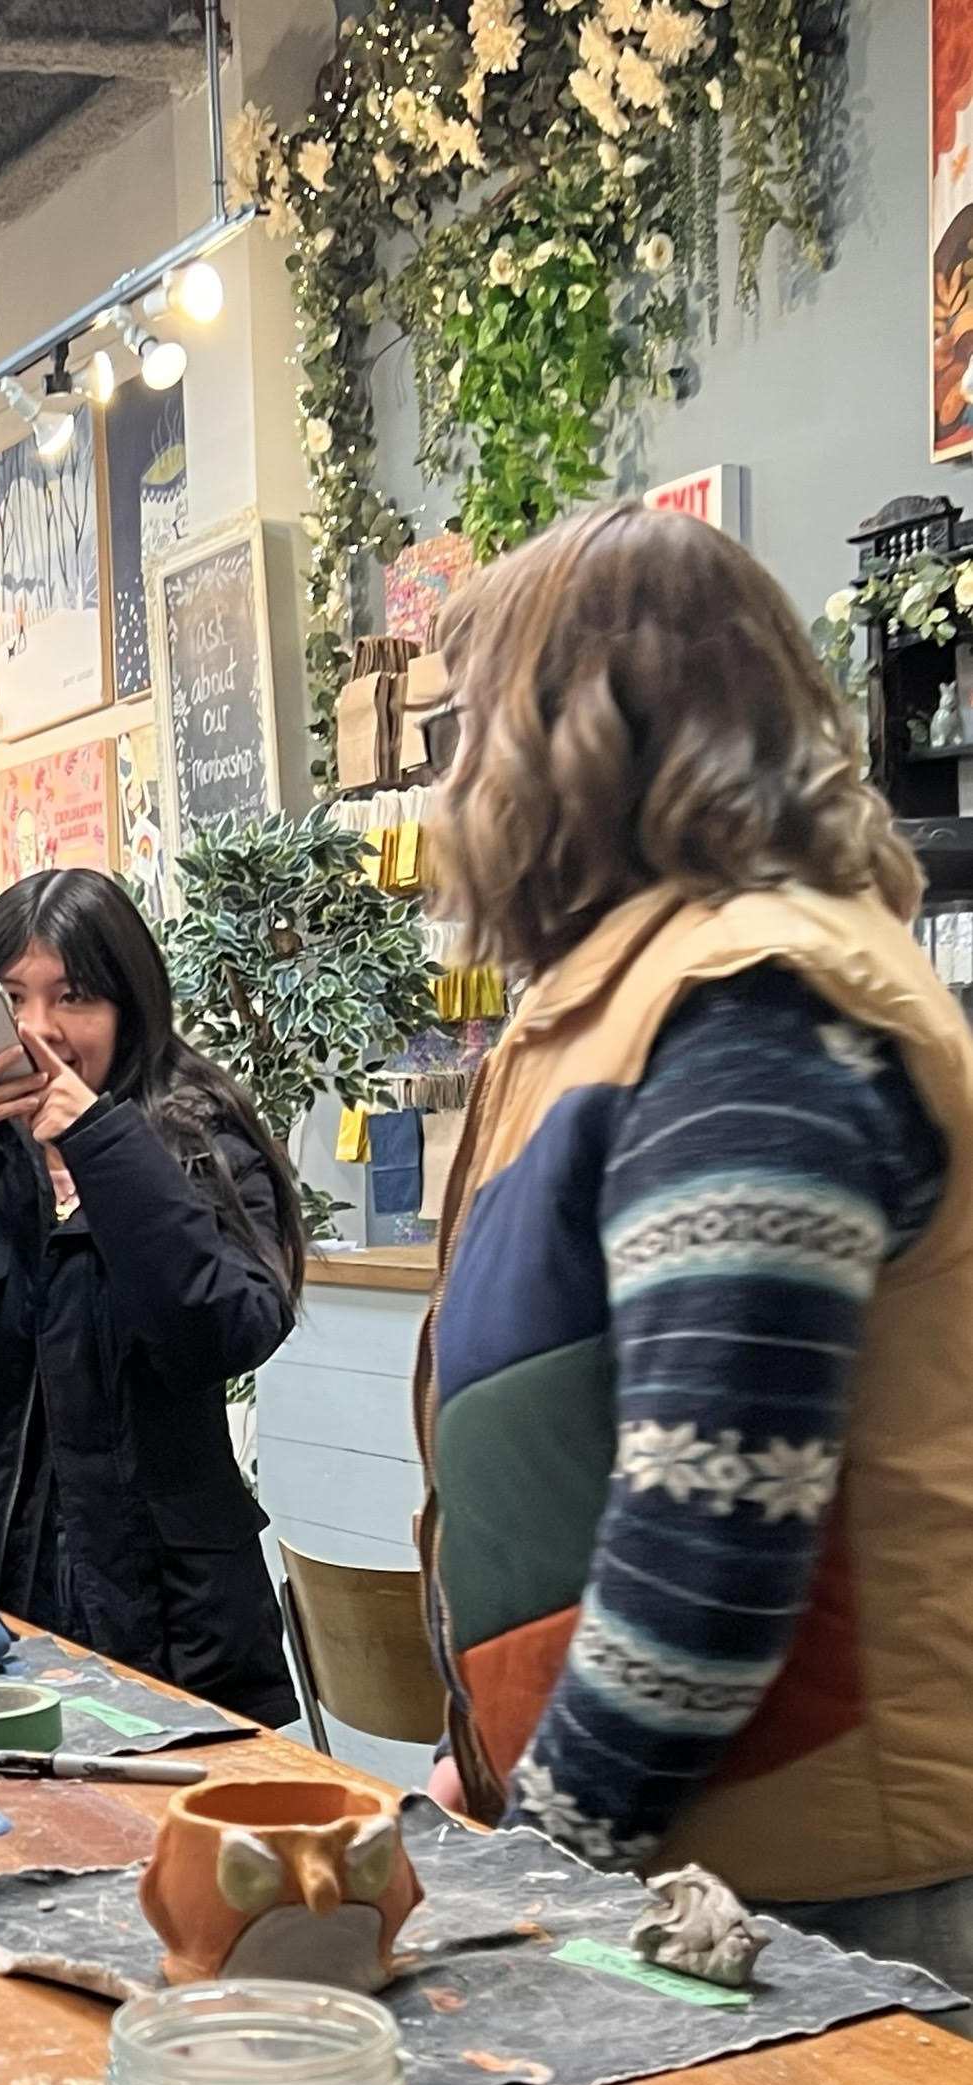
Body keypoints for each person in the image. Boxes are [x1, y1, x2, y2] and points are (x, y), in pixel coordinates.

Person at [420, 498, 973, 1983]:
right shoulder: (642, 997)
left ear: (567, 743)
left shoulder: (752, 1010)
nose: (448, 783)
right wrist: (480, 1765)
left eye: (467, 732)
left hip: (816, 1912)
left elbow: (709, 1530)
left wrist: (528, 1863)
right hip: (701, 1865)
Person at [0, 867, 306, 1723]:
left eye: (74, 997)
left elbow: (226, 1332)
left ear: (128, 1007)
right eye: (10, 998)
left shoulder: (196, 1139)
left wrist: (99, 1142)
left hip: (176, 1626)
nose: (42, 1030)